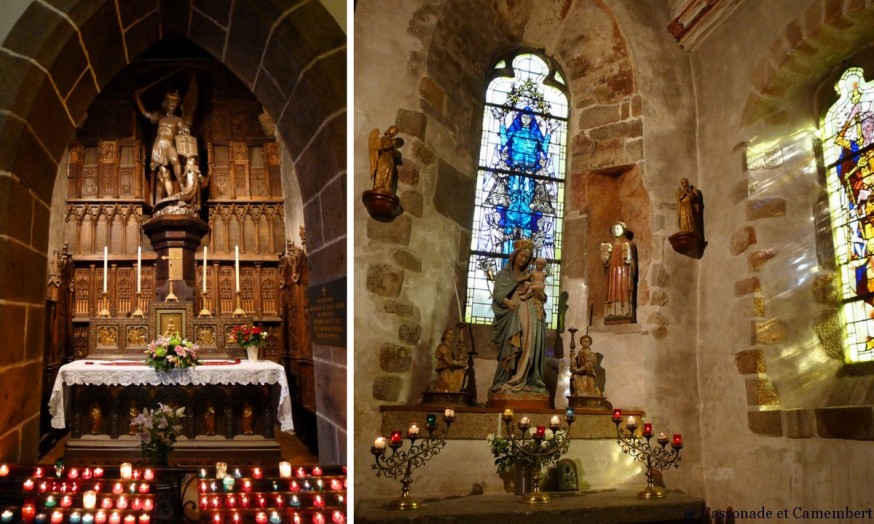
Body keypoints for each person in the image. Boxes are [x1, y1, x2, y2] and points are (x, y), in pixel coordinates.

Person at [489, 238, 547, 394]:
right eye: (521, 256)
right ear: (514, 255)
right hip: (512, 314)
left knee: (529, 346)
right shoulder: (504, 274)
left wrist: (540, 295)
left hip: (531, 314)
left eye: (527, 258)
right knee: (512, 347)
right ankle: (506, 380)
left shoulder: (531, 276)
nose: (523, 260)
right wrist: (507, 302)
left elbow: (542, 296)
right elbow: (498, 294)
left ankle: (526, 380)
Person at [600, 222, 637, 322]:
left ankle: (624, 311)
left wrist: (630, 262)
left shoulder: (628, 244)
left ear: (623, 230)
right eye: (614, 228)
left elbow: (632, 260)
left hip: (624, 271)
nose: (616, 230)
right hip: (613, 272)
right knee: (612, 289)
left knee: (623, 289)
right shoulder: (609, 245)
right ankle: (611, 311)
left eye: (618, 228)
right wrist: (605, 259)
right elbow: (606, 262)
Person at [429, 328, 467, 392]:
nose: (451, 336)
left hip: (450, 369)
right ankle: (434, 385)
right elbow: (448, 361)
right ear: (445, 335)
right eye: (449, 334)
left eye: (453, 335)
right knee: (447, 385)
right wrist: (459, 364)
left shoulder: (450, 348)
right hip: (445, 370)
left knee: (460, 372)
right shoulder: (442, 347)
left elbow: (454, 360)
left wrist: (461, 351)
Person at [368, 126, 402, 191]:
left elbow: (395, 153)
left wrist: (394, 150)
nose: (395, 133)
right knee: (383, 171)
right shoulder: (384, 138)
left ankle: (387, 187)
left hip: (390, 159)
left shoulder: (392, 142)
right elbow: (382, 148)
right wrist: (392, 145)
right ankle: (379, 186)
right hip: (384, 157)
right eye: (394, 131)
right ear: (390, 130)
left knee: (389, 172)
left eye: (396, 133)